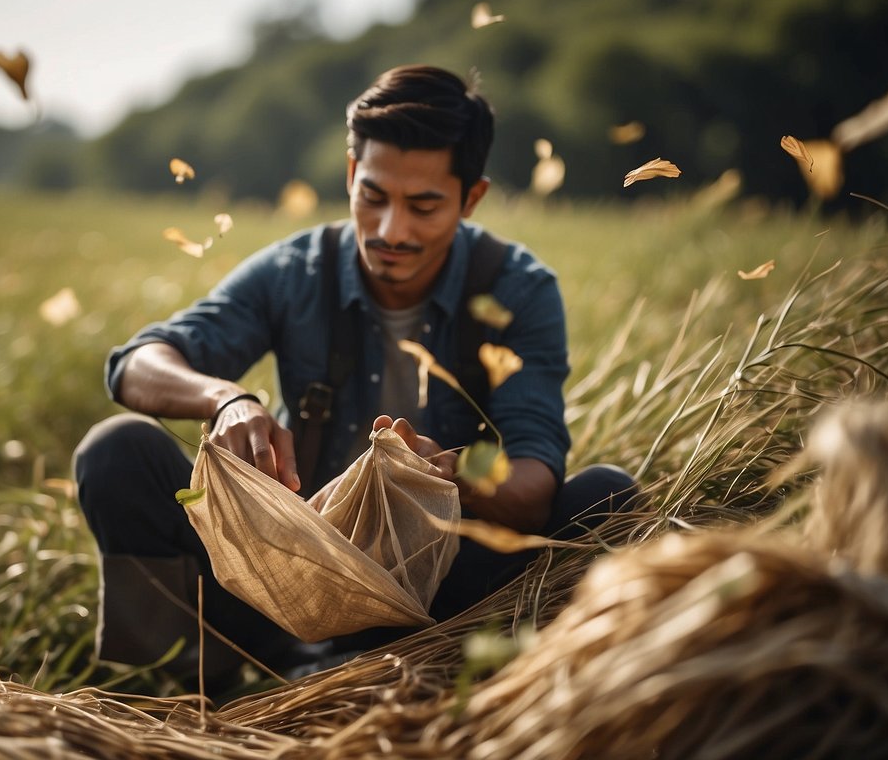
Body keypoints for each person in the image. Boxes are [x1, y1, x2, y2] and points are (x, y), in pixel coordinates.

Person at [73, 65, 634, 680]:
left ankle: (476, 685)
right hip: (278, 592)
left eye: (423, 206)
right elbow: (135, 363)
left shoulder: (517, 291)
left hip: (439, 607)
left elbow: (534, 487)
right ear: (349, 174)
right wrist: (227, 399)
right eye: (373, 197)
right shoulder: (297, 270)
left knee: (606, 496)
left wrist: (450, 476)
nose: (392, 230)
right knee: (116, 451)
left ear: (471, 197)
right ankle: (177, 686)